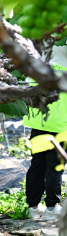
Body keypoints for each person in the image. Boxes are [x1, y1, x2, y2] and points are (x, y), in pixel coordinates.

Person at [23, 50, 67, 220]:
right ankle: (51, 208)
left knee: (38, 164)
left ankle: (33, 207)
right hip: (60, 125)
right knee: (55, 165)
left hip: (38, 124)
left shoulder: (37, 67)